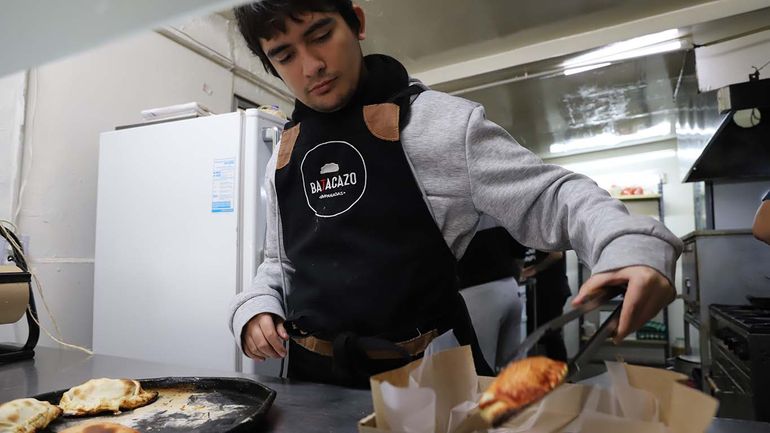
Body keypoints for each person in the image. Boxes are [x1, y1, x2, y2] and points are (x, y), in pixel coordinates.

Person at [228, 0, 683, 387]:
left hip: (429, 382)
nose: (311, 66)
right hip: (314, 383)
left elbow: (554, 195)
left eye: (321, 34)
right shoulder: (284, 153)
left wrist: (627, 246)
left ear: (358, 22)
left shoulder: (440, 127)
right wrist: (256, 306)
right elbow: (280, 262)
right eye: (285, 55)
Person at [457, 216, 527, 371]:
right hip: (510, 288)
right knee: (513, 367)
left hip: (477, 294)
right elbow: (520, 250)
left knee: (483, 366)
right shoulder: (497, 210)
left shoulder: (459, 213)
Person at [520, 250, 571, 362]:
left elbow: (557, 254)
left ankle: (560, 376)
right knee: (543, 336)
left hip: (550, 288)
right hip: (540, 290)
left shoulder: (543, 233)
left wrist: (534, 269)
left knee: (551, 334)